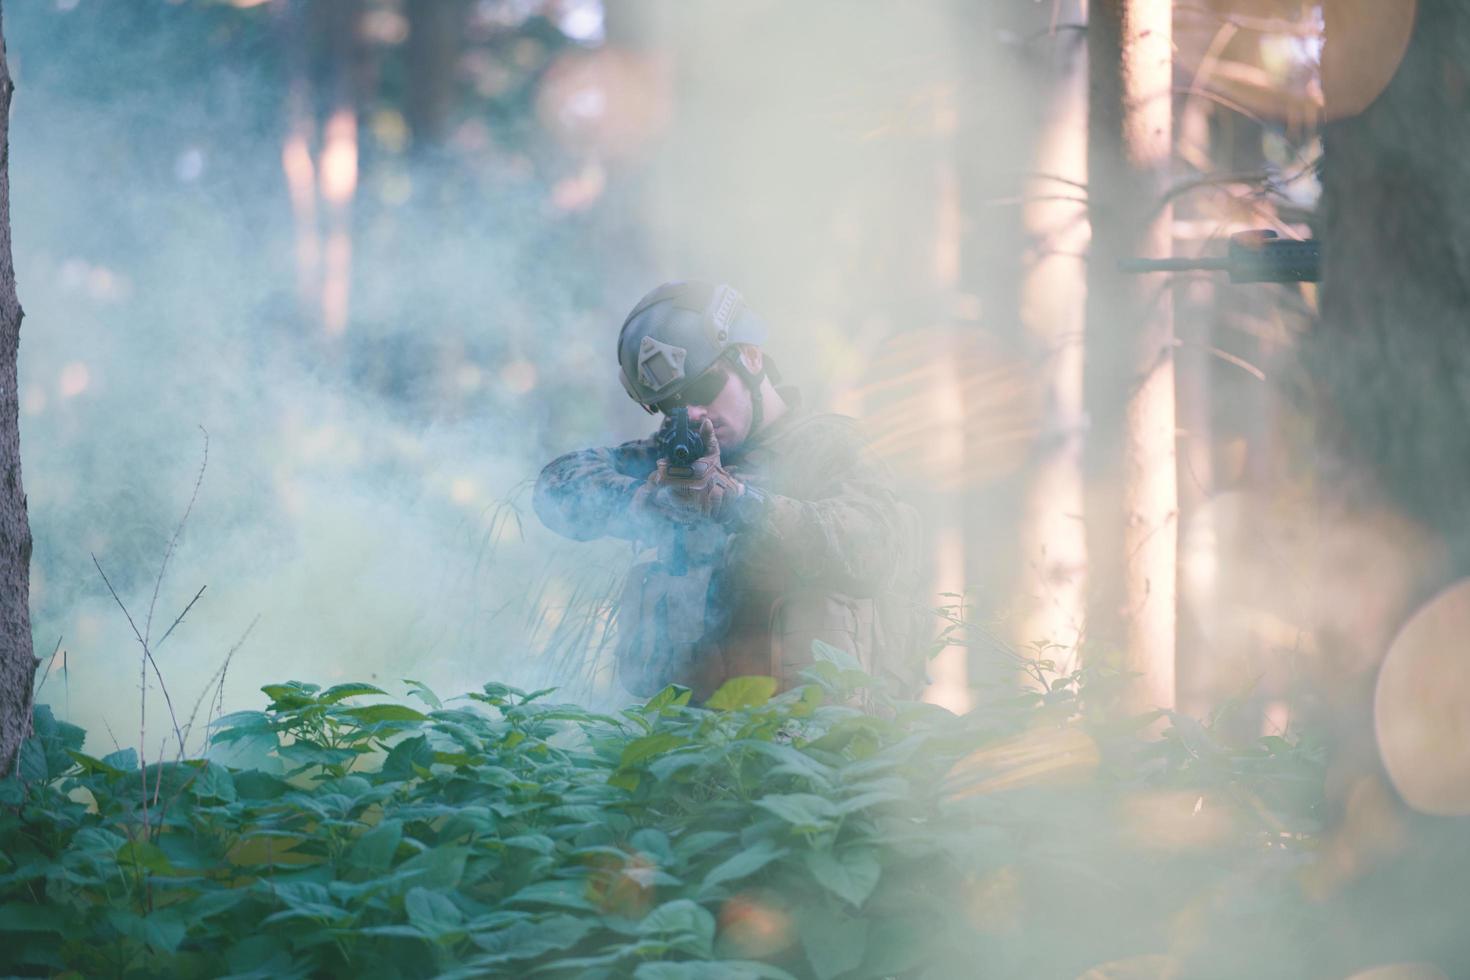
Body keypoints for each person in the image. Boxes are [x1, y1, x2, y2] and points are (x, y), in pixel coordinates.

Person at [534, 281, 924, 701]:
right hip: (699, 747)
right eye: (671, 405)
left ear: (751, 357)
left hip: (820, 749)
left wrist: (741, 504)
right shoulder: (674, 458)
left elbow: (879, 548)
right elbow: (556, 487)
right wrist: (643, 502)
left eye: (704, 389)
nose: (693, 413)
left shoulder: (830, 447)